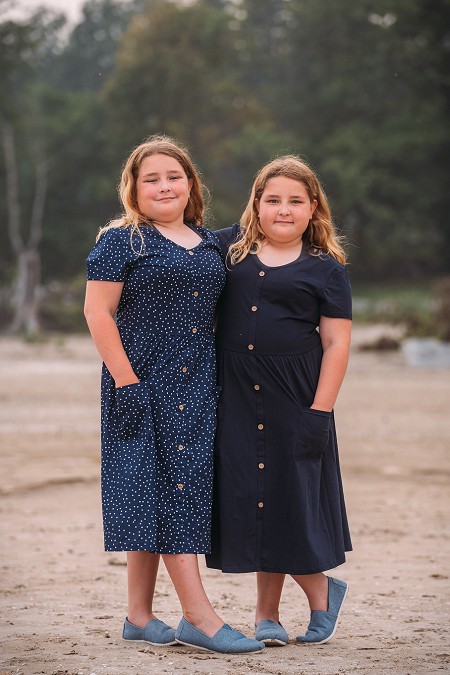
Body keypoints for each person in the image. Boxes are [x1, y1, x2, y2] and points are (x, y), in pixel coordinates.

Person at [84, 135, 264, 654]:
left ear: (191, 184)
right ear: (133, 190)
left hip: (199, 384)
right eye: (151, 179)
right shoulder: (124, 241)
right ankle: (199, 618)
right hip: (140, 382)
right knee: (166, 492)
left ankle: (138, 616)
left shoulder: (212, 244)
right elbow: (98, 314)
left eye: (174, 176)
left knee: (160, 492)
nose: (164, 186)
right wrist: (126, 380)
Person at [206, 155, 352, 646]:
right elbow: (176, 242)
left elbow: (336, 344)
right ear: (256, 204)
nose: (283, 210)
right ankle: (269, 613)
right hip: (235, 396)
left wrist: (320, 412)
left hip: (296, 398)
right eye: (273, 200)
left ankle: (318, 592)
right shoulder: (228, 249)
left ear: (314, 208)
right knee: (253, 498)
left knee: (289, 498)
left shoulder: (326, 270)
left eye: (295, 201)